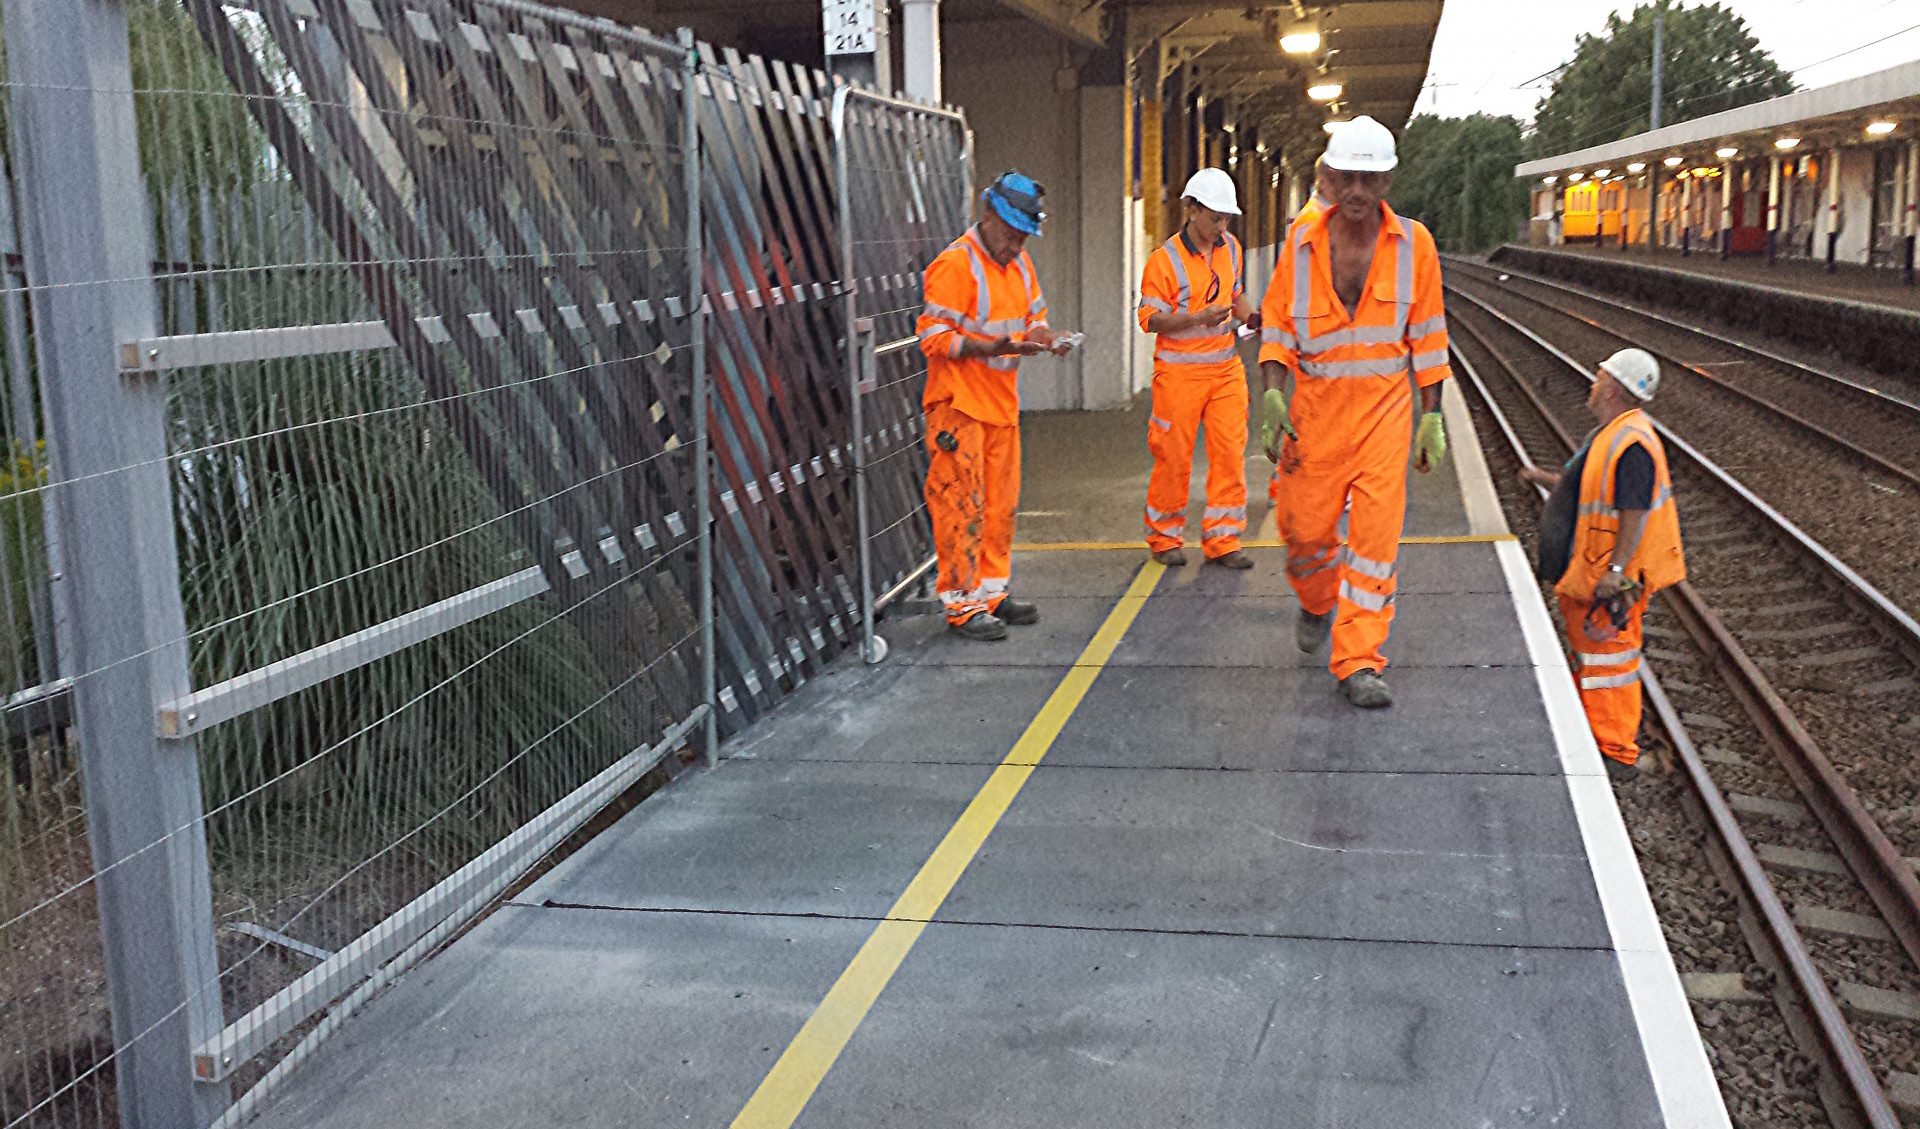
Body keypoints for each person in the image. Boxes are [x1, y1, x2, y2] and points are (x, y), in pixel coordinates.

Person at [1256, 115, 1452, 709]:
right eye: (1347, 179)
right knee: (1303, 533)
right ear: (1327, 178)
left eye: (1370, 179)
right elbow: (1278, 324)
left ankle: (1360, 659)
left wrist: (1431, 414)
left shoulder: (1415, 246)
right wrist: (1272, 394)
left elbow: (1430, 337)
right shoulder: (1301, 241)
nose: (1358, 193)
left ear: (1388, 180)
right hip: (1315, 417)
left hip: (1384, 421)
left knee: (1373, 545)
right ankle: (1317, 601)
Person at [915, 170, 1078, 641]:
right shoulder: (955, 266)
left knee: (999, 507)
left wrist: (1047, 339)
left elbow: (1034, 319)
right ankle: (962, 604)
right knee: (959, 506)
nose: (1016, 245)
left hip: (1000, 406)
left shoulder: (1020, 266)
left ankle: (991, 592)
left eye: (1023, 237)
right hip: (958, 407)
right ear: (988, 217)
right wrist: (996, 346)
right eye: (1011, 234)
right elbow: (933, 337)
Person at [1522, 348, 1685, 781]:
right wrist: (1543, 479)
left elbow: (1635, 509)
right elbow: (1592, 492)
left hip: (1610, 580)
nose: (1592, 387)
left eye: (1598, 380)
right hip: (1593, 571)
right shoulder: (1614, 435)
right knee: (1595, 663)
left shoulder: (1631, 443)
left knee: (1610, 665)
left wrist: (1616, 572)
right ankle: (1592, 736)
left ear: (1613, 388)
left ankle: (1615, 754)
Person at [1137, 168, 1258, 569]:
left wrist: (1253, 316)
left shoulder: (1232, 248)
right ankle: (1165, 536)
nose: (1221, 225)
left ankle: (1224, 539)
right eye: (1214, 217)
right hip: (1179, 376)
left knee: (1229, 453)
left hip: (1225, 370)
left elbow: (1236, 294)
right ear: (1191, 210)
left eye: (1226, 218)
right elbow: (1149, 319)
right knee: (1174, 456)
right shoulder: (1164, 261)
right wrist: (1197, 319)